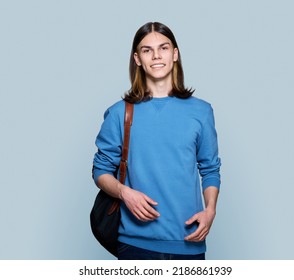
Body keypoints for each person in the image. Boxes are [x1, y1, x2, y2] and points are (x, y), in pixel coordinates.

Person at [92, 22, 221, 260]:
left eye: (163, 48)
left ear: (175, 54)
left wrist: (210, 210)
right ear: (137, 59)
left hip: (189, 242)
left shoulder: (201, 111)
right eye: (147, 50)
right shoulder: (120, 113)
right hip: (135, 244)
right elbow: (100, 171)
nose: (156, 56)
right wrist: (124, 193)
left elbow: (210, 168)